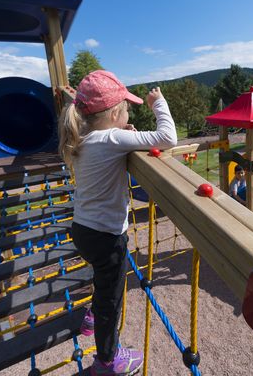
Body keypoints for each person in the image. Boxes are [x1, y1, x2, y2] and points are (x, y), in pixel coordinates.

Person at [58, 70, 177, 375]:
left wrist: (127, 132)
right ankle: (108, 361)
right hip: (107, 236)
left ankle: (91, 318)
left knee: (102, 279)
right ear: (114, 113)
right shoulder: (113, 138)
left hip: (82, 230)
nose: (128, 113)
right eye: (126, 108)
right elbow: (168, 138)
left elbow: (114, 142)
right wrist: (158, 103)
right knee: (112, 298)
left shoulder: (86, 137)